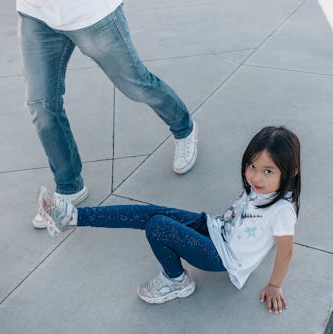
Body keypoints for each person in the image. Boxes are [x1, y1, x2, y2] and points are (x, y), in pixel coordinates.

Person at [37, 126, 300, 313]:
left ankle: (176, 280)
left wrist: (275, 285)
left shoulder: (282, 210)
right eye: (252, 167)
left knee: (158, 226)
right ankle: (72, 216)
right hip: (214, 229)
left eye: (268, 171)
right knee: (149, 212)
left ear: (291, 171)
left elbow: (285, 252)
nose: (256, 177)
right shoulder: (262, 190)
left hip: (222, 256)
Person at [16, 0, 198, 228]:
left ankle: (184, 128)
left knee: (137, 85)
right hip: (36, 14)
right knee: (41, 104)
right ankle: (69, 187)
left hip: (91, 14)